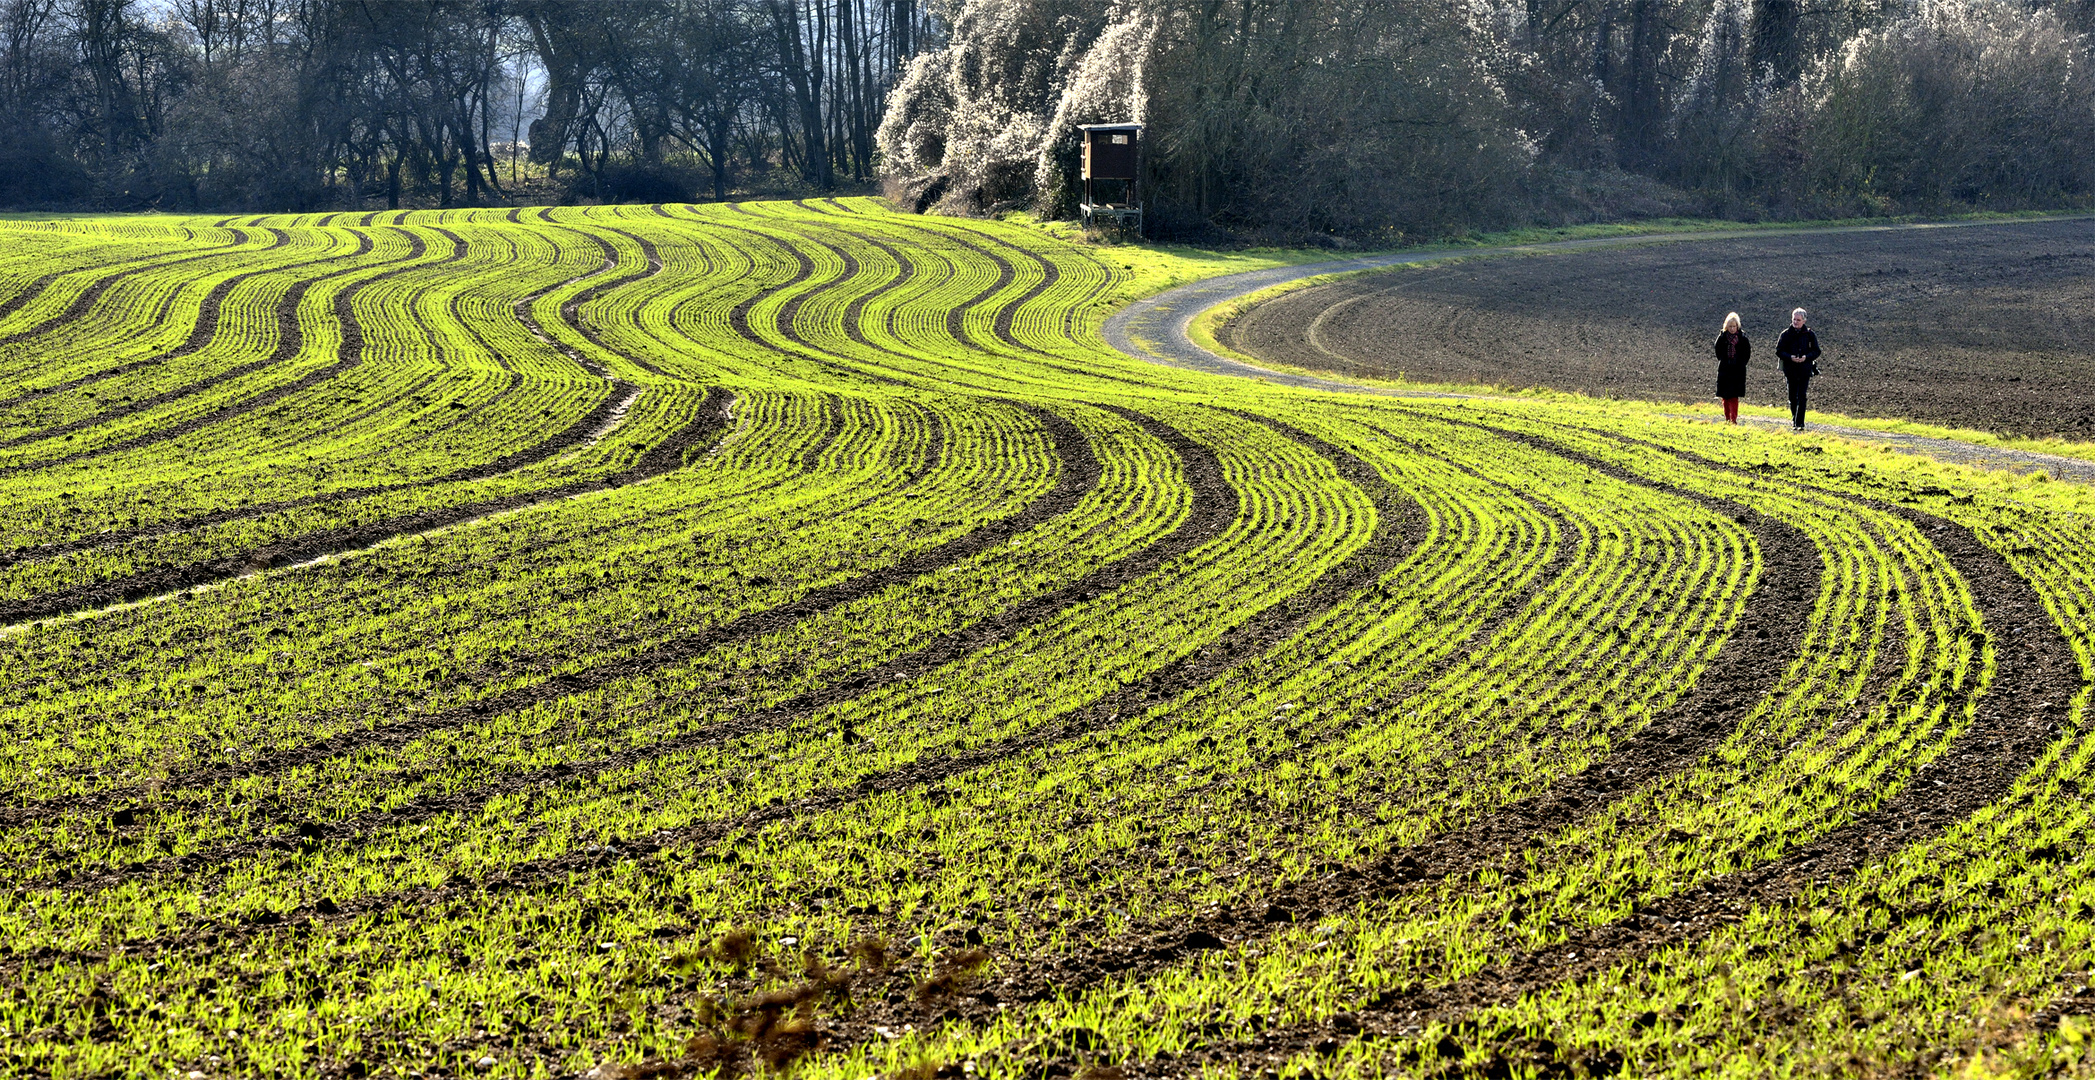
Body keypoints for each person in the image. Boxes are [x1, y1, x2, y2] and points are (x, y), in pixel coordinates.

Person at [1775, 308, 1821, 429]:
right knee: (1792, 397)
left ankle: (1800, 423)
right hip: (1790, 370)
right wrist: (1790, 357)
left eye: (1798, 320)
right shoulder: (1785, 334)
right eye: (1794, 319)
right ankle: (1795, 420)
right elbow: (1778, 351)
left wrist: (1806, 357)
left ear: (1804, 321)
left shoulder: (1810, 335)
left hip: (1805, 370)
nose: (1795, 322)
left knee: (1802, 396)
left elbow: (1817, 351)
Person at [1713, 312, 1749, 423]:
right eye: (1730, 326)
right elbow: (1717, 351)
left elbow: (1747, 354)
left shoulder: (1743, 339)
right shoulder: (1722, 338)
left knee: (1734, 397)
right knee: (1725, 396)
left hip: (1737, 371)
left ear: (1737, 326)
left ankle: (1733, 419)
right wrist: (1725, 361)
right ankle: (1727, 418)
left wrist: (1739, 364)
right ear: (1726, 327)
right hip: (1724, 370)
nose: (1732, 329)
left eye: (1734, 326)